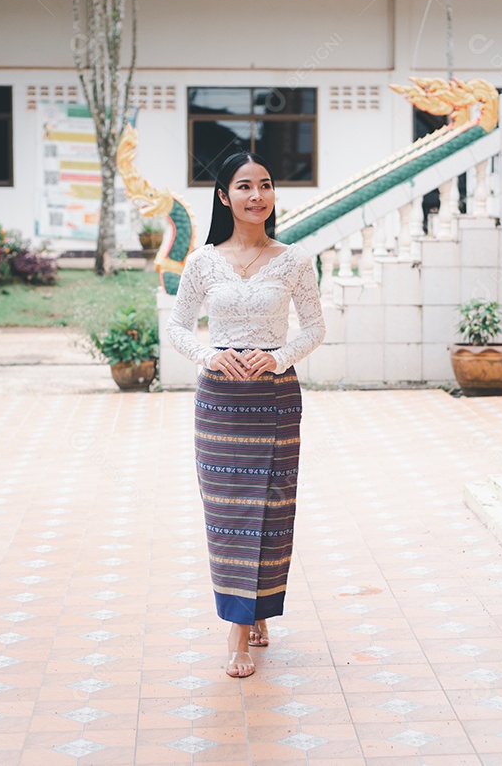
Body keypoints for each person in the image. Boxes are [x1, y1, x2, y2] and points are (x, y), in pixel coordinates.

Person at [166, 151, 326, 678]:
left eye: (265, 185)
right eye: (244, 186)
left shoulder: (295, 259)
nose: (256, 195)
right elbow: (179, 327)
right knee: (230, 514)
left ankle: (253, 616)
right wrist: (211, 356)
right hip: (220, 404)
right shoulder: (202, 262)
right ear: (223, 196)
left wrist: (278, 357)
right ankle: (239, 623)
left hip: (276, 401)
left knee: (272, 512)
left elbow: (313, 328)